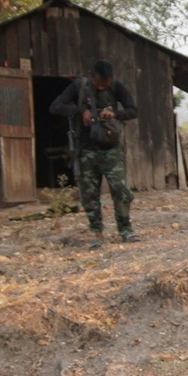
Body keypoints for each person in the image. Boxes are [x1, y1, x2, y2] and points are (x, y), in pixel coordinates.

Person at [50, 59, 139, 248]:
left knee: (120, 190)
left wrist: (114, 113)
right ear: (92, 77)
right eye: (98, 84)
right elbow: (56, 106)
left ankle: (126, 230)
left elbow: (133, 110)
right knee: (89, 195)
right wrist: (80, 111)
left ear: (111, 80)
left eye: (104, 85)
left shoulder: (117, 87)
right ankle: (97, 234)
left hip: (111, 148)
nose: (101, 88)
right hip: (86, 149)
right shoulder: (79, 86)